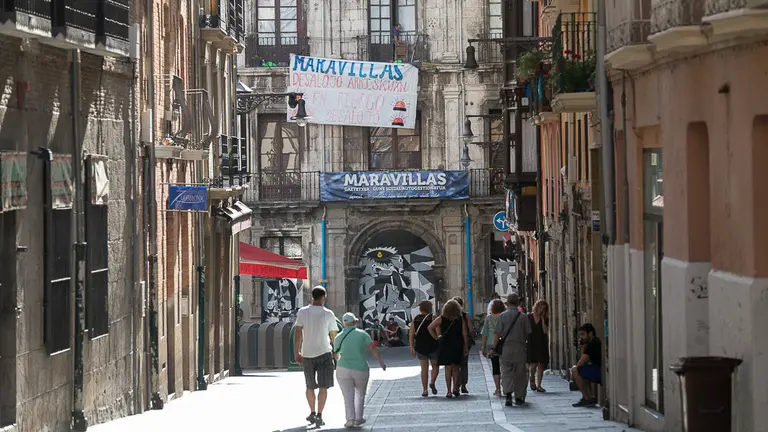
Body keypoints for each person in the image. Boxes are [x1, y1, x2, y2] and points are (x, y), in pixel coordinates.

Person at [293, 286, 339, 427]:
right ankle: (319, 415)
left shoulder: (302, 312)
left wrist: (296, 352)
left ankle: (312, 412)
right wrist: (336, 351)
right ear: (323, 297)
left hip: (307, 353)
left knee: (309, 386)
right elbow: (333, 335)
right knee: (323, 387)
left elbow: (298, 333)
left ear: (312, 296)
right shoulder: (328, 313)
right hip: (324, 353)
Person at [334, 312, 386, 428]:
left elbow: (336, 354)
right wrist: (381, 362)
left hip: (342, 369)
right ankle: (358, 418)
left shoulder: (338, 337)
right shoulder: (362, 334)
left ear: (344, 323)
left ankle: (349, 419)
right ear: (354, 322)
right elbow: (372, 348)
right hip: (360, 368)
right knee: (360, 394)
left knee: (347, 395)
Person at [492, 292, 531, 406]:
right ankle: (518, 397)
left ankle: (508, 394)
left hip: (506, 348)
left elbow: (497, 334)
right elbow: (528, 333)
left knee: (506, 371)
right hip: (520, 347)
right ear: (518, 303)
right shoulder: (523, 317)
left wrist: (494, 348)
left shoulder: (502, 316)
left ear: (508, 303)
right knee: (520, 372)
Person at [428, 299, 468, 398]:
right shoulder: (460, 318)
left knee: (447, 368)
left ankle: (449, 391)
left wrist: (436, 337)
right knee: (456, 368)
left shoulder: (442, 318)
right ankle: (455, 388)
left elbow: (430, 327)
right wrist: (466, 346)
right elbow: (464, 333)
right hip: (457, 344)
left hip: (445, 345)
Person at [409, 300, 440, 397]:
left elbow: (411, 333)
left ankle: (425, 390)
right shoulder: (433, 317)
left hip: (420, 346)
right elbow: (437, 332)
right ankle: (432, 382)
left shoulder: (415, 319)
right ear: (429, 307)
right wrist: (438, 338)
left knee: (424, 369)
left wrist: (412, 346)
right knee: (435, 366)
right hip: (433, 345)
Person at [571, 323, 602, 407]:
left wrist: (573, 375)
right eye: (580, 335)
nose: (581, 337)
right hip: (598, 369)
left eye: (583, 334)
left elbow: (581, 362)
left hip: (599, 371)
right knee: (581, 371)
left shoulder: (592, 344)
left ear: (590, 333)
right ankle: (589, 397)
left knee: (575, 370)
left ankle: (587, 398)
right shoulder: (595, 341)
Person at [482, 299, 506, 396]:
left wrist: (483, 347)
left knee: (495, 366)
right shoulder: (504, 317)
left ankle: (498, 389)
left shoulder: (489, 318)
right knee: (504, 365)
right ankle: (505, 383)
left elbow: (484, 334)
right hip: (503, 344)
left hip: (491, 344)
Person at [527, 299, 550, 392]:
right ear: (536, 307)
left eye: (544, 308)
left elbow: (545, 331)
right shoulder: (529, 317)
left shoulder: (545, 318)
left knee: (541, 365)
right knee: (533, 365)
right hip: (531, 342)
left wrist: (543, 320)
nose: (541, 310)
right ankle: (532, 378)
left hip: (541, 343)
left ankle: (539, 385)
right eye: (540, 307)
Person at [452, 296, 474, 393]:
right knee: (464, 364)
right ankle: (463, 385)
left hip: (453, 343)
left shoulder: (448, 316)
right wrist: (470, 337)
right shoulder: (465, 316)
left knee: (454, 365)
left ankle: (455, 385)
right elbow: (470, 329)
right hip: (464, 342)